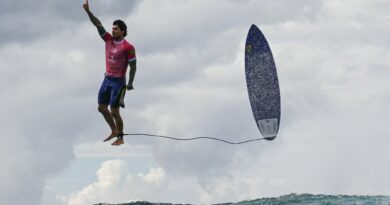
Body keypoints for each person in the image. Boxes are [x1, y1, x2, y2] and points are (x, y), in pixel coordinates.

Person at [83, 0, 137, 146]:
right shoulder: (108, 40)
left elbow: (133, 66)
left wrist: (130, 83)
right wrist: (88, 12)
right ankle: (113, 130)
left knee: (114, 111)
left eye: (116, 29)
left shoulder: (128, 47)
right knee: (101, 108)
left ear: (123, 31)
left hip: (118, 83)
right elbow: (98, 24)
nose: (113, 31)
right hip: (107, 79)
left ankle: (120, 137)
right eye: (112, 28)